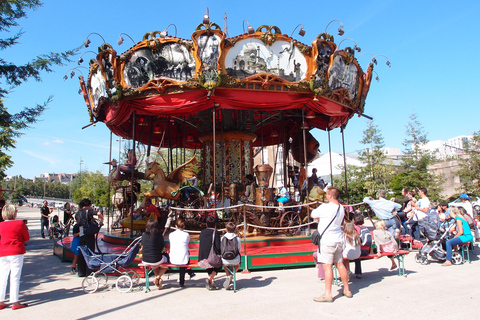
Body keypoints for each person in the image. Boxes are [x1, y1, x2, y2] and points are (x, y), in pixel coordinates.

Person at [310, 187, 352, 302]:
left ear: (329, 195)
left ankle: (328, 294)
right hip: (338, 239)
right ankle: (347, 289)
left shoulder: (325, 207)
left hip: (327, 240)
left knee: (327, 266)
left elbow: (313, 214)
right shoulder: (341, 208)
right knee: (340, 264)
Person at [0, 204, 30, 310]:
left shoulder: (1, 225)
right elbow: (26, 238)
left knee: (2, 277)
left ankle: (1, 300)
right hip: (16, 252)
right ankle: (15, 301)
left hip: (3, 252)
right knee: (15, 277)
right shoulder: (19, 223)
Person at [75, 198, 104, 277]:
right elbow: (97, 213)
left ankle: (81, 272)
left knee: (82, 252)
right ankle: (89, 271)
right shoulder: (88, 211)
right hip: (89, 234)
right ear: (88, 205)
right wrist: (101, 217)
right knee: (90, 252)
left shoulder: (78, 213)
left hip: (81, 234)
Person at [141, 219, 169, 289]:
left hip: (145, 259)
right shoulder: (159, 235)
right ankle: (158, 277)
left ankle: (158, 282)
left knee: (155, 263)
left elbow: (142, 245)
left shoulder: (144, 235)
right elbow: (162, 246)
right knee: (166, 262)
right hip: (156, 258)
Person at [169, 217, 195, 288]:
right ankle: (182, 281)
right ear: (184, 226)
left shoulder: (171, 235)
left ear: (176, 226)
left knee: (183, 254)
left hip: (173, 258)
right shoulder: (186, 234)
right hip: (183, 258)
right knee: (184, 254)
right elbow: (187, 243)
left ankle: (190, 272)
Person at [198, 216, 221, 290]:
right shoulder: (216, 233)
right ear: (215, 224)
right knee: (219, 263)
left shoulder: (202, 232)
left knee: (208, 263)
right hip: (211, 258)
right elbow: (218, 247)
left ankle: (211, 279)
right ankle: (211, 277)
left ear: (206, 224)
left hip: (202, 258)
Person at [221, 222, 241, 290]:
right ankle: (231, 276)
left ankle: (228, 276)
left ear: (226, 229)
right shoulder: (237, 239)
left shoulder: (222, 238)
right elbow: (239, 249)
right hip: (235, 258)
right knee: (238, 264)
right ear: (235, 230)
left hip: (225, 259)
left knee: (225, 263)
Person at [352, 213, 372, 279]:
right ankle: (358, 273)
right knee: (357, 256)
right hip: (366, 250)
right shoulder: (365, 227)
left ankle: (347, 272)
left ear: (354, 220)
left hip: (359, 250)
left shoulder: (355, 228)